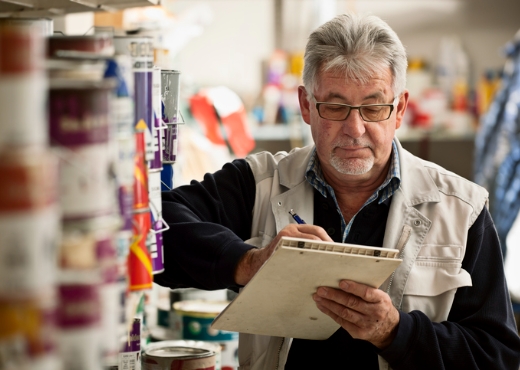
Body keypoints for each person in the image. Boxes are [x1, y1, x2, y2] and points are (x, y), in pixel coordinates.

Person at [155, 12, 520, 369]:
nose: (355, 129)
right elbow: (154, 226)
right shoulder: (258, 182)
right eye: (335, 106)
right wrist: (248, 262)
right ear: (306, 106)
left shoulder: (463, 210)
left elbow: (498, 356)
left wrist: (395, 332)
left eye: (374, 107)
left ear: (400, 109)